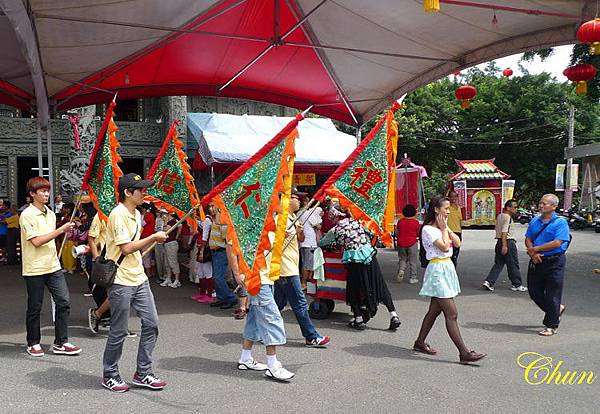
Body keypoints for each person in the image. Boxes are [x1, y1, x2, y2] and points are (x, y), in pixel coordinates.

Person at [101, 173, 168, 392]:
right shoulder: (118, 214)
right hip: (120, 280)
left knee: (152, 324)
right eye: (140, 190)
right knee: (119, 330)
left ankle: (143, 372)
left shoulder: (137, 213)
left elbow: (135, 249)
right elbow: (126, 248)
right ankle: (110, 374)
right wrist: (154, 237)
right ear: (127, 193)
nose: (144, 193)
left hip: (139, 277)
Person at [414, 196, 486, 364]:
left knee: (434, 311)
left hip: (446, 268)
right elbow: (445, 246)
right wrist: (444, 229)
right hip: (438, 269)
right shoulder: (428, 230)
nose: (448, 211)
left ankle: (419, 342)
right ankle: (464, 352)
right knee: (451, 314)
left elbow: (458, 243)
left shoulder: (441, 227)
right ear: (436, 210)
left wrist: (446, 228)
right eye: (446, 208)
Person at [19, 176, 81, 357]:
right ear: (32, 194)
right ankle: (33, 342)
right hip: (34, 268)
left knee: (64, 302)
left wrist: (65, 232)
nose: (46, 194)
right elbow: (37, 241)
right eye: (42, 191)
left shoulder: (51, 213)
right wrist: (61, 230)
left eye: (47, 190)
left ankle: (61, 342)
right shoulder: (27, 215)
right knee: (35, 307)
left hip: (53, 266)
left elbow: (52, 237)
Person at [232, 238, 295, 382]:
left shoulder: (271, 219)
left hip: (266, 277)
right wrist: (237, 273)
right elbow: (232, 247)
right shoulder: (247, 219)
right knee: (270, 320)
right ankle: (273, 365)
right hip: (257, 279)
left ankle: (245, 358)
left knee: (254, 320)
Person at [274, 192, 331, 347]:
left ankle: (259, 331)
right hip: (286, 268)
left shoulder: (293, 218)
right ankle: (311, 336)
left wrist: (299, 232)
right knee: (299, 303)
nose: (298, 201)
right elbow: (271, 242)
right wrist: (281, 236)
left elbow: (300, 239)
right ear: (285, 201)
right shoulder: (280, 218)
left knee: (276, 304)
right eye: (295, 198)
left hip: (290, 265)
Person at [331, 215, 400, 331]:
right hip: (368, 255)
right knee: (379, 284)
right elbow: (369, 234)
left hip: (353, 259)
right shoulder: (358, 221)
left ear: (337, 215)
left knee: (354, 288)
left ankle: (358, 319)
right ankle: (393, 315)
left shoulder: (338, 227)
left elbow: (338, 242)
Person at [525, 193, 570, 337]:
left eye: (545, 203)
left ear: (554, 206)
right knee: (534, 292)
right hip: (537, 261)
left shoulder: (560, 222)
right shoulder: (534, 221)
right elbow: (528, 238)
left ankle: (551, 325)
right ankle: (556, 310)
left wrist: (535, 249)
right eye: (540, 203)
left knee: (552, 294)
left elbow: (558, 242)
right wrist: (533, 254)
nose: (541, 205)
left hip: (554, 262)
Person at [482, 199, 527, 292]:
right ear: (508, 208)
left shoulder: (499, 216)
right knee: (513, 264)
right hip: (508, 242)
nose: (516, 209)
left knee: (499, 263)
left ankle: (489, 281)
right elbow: (504, 232)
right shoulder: (507, 217)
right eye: (514, 207)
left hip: (499, 241)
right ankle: (517, 284)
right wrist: (505, 245)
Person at [208, 204, 237, 309]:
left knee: (218, 277)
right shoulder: (215, 219)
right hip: (215, 252)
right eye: (210, 206)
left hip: (221, 251)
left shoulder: (222, 219)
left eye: (213, 206)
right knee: (216, 277)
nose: (210, 208)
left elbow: (226, 238)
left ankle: (230, 297)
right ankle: (222, 298)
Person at [297, 198, 322, 290]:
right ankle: (304, 283)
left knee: (305, 262)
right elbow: (318, 226)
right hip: (310, 242)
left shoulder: (298, 213)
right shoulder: (308, 214)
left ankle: (306, 283)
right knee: (308, 264)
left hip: (303, 242)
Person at [191, 210, 214, 302]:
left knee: (207, 272)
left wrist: (202, 251)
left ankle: (209, 294)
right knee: (200, 271)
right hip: (201, 247)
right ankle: (202, 292)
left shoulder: (207, 220)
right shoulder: (203, 220)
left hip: (205, 248)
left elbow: (205, 236)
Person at [396, 204, 420, 284]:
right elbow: (418, 233)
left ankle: (401, 270)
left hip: (401, 243)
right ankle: (413, 277)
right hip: (412, 242)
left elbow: (397, 232)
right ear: (414, 213)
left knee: (402, 258)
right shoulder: (415, 222)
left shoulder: (400, 222)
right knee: (413, 261)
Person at [160, 212, 182, 288]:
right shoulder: (171, 221)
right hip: (167, 243)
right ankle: (168, 278)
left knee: (173, 262)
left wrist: (165, 222)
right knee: (167, 262)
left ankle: (177, 280)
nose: (162, 214)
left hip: (171, 243)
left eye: (162, 213)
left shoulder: (172, 221)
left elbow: (165, 231)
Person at [140, 204, 156, 279]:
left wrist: (142, 215)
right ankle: (152, 272)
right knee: (150, 257)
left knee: (146, 256)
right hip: (147, 238)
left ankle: (148, 274)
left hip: (147, 238)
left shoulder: (149, 215)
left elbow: (141, 224)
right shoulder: (150, 215)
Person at [447, 191, 463, 267]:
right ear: (449, 197)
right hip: (449, 232)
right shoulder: (447, 207)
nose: (453, 198)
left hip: (457, 232)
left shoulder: (458, 208)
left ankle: (453, 268)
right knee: (449, 253)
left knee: (456, 253)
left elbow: (460, 220)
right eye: (451, 196)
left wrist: (461, 233)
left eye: (455, 196)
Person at [154, 207, 167, 282]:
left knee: (165, 260)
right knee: (159, 259)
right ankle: (161, 276)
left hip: (166, 242)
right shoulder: (158, 219)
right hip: (158, 241)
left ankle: (165, 276)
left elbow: (179, 226)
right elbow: (156, 229)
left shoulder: (167, 219)